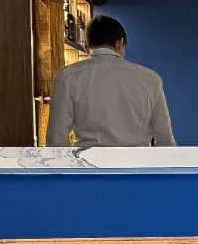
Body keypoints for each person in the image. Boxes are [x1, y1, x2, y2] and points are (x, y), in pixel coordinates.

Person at [46, 14, 174, 147]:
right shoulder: (151, 78)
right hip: (137, 163)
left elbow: (56, 139)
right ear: (120, 43)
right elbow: (165, 138)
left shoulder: (68, 76)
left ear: (86, 45)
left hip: (90, 164)